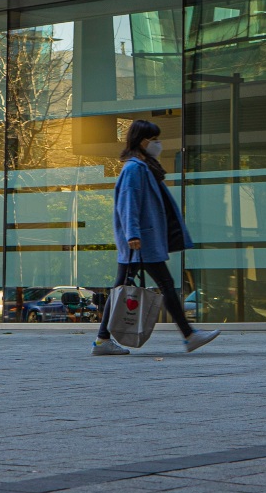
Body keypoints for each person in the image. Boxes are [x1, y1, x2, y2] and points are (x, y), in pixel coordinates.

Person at [94, 119, 220, 356]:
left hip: (142, 240)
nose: (158, 144)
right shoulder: (134, 169)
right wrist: (132, 234)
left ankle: (102, 340)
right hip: (141, 241)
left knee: (121, 289)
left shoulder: (144, 167)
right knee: (164, 285)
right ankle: (189, 335)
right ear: (141, 141)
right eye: (154, 140)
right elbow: (128, 204)